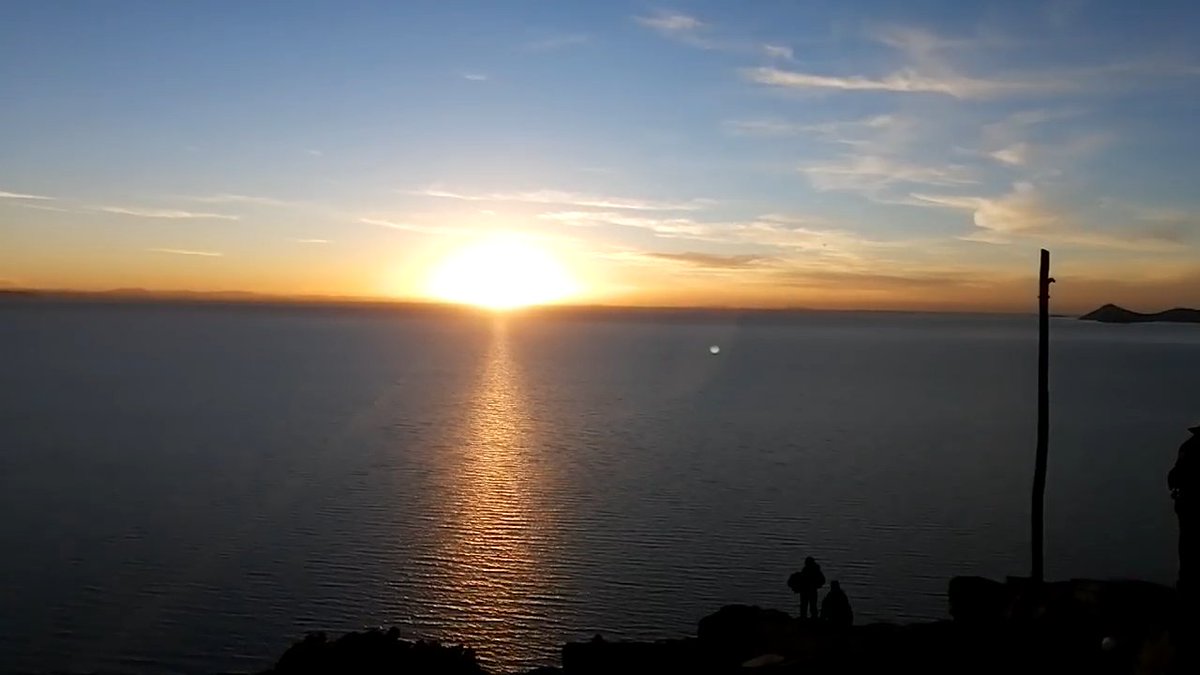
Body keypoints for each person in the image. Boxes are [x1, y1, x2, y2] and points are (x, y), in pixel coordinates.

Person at [1169, 425, 1199, 599]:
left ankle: (1187, 589)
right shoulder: (1190, 447)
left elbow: (1173, 477)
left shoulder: (1189, 446)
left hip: (1188, 505)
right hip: (1191, 505)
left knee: (1188, 549)